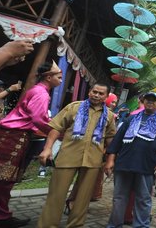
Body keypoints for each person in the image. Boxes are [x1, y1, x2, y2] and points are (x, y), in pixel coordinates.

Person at [0, 61, 61, 228]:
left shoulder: (39, 90)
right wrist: (57, 130)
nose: (61, 79)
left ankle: (0, 215)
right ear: (49, 77)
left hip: (15, 136)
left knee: (6, 179)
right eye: (59, 76)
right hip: (12, 136)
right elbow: (39, 118)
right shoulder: (41, 93)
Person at [37, 83, 117, 227]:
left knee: (83, 199)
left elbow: (111, 140)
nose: (97, 95)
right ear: (89, 92)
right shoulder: (74, 107)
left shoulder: (109, 116)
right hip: (68, 156)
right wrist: (47, 148)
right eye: (94, 92)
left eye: (101, 94)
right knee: (56, 195)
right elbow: (56, 128)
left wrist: (110, 160)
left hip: (93, 160)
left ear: (106, 97)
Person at [105, 92, 156, 228]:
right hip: (124, 164)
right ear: (143, 102)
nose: (150, 102)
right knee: (119, 199)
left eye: (154, 100)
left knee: (143, 199)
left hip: (146, 166)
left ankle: (141, 225)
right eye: (147, 100)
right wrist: (110, 160)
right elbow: (117, 141)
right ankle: (114, 225)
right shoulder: (130, 119)